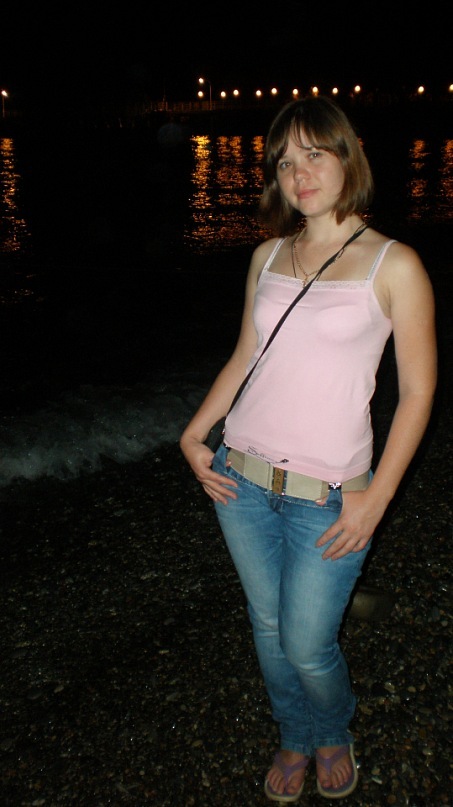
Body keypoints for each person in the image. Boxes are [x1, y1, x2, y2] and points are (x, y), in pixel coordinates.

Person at [179, 95, 437, 802]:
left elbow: (418, 393)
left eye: (314, 154)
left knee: (307, 644)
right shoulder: (266, 256)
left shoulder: (395, 264)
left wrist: (375, 500)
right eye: (286, 161)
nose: (299, 173)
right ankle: (295, 734)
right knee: (267, 629)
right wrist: (193, 435)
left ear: (348, 157)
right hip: (239, 478)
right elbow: (245, 356)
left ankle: (333, 730)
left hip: (329, 496)